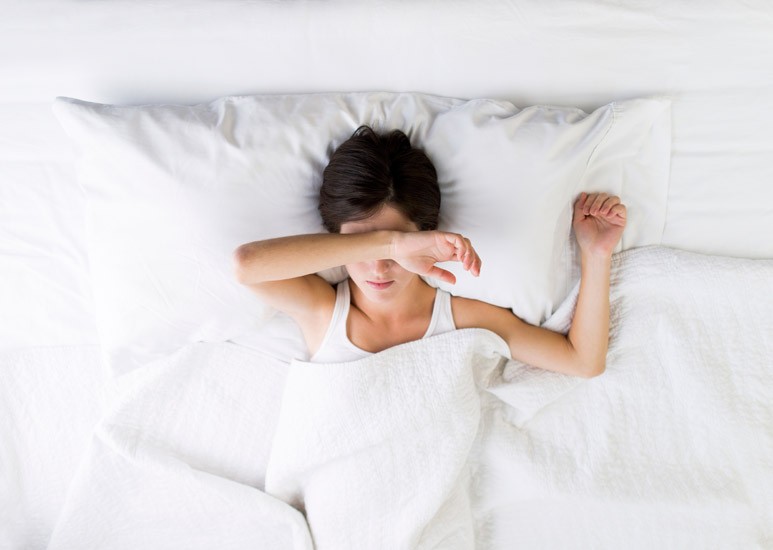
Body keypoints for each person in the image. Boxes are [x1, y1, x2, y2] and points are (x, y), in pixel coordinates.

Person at [233, 125, 626, 377]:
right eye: (360, 243)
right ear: (336, 238)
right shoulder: (324, 312)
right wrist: (393, 242)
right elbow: (246, 265)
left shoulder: (462, 318)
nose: (379, 267)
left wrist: (596, 254)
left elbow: (583, 361)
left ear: (425, 233)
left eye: (397, 241)